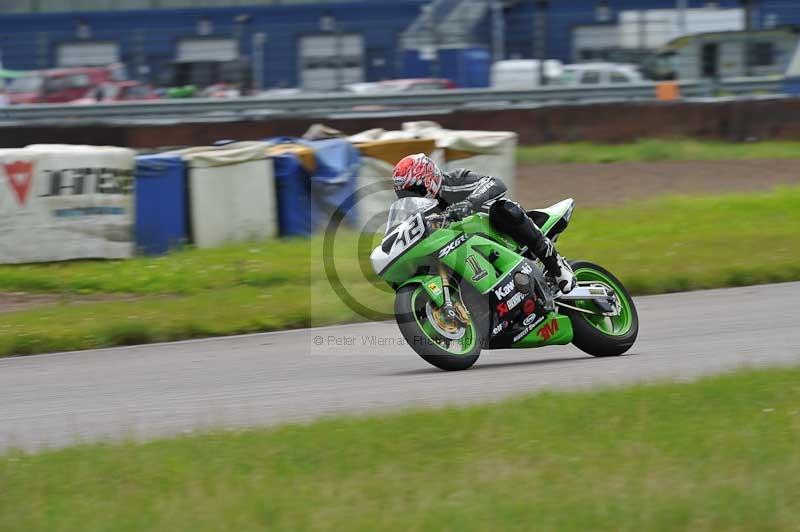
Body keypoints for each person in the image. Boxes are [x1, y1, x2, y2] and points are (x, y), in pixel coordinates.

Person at [392, 153, 576, 294]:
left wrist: (468, 203)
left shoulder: (454, 181)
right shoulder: (414, 211)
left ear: (429, 180)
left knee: (503, 208)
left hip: (497, 232)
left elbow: (495, 183)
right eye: (405, 194)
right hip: (458, 248)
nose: (411, 197)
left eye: (415, 190)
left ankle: (556, 265)